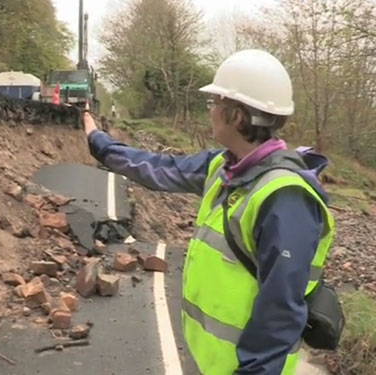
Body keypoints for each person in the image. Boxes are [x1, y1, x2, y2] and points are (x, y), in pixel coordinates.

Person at [82, 49, 335, 375]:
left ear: (237, 116)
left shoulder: (285, 199)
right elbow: (159, 168)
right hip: (213, 362)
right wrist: (99, 142)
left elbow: (280, 313)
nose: (210, 111)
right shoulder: (224, 165)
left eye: (215, 103)